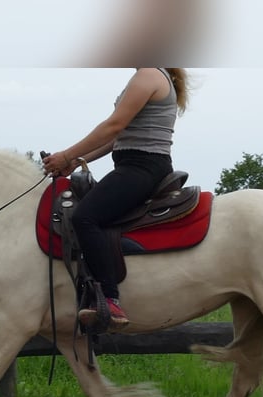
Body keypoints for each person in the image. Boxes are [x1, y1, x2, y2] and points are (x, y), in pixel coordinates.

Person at [42, 68, 190, 330]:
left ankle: (110, 299)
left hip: (142, 167)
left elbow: (114, 126)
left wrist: (66, 155)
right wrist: (75, 162)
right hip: (135, 163)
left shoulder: (148, 75)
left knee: (85, 217)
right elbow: (117, 138)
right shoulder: (148, 75)